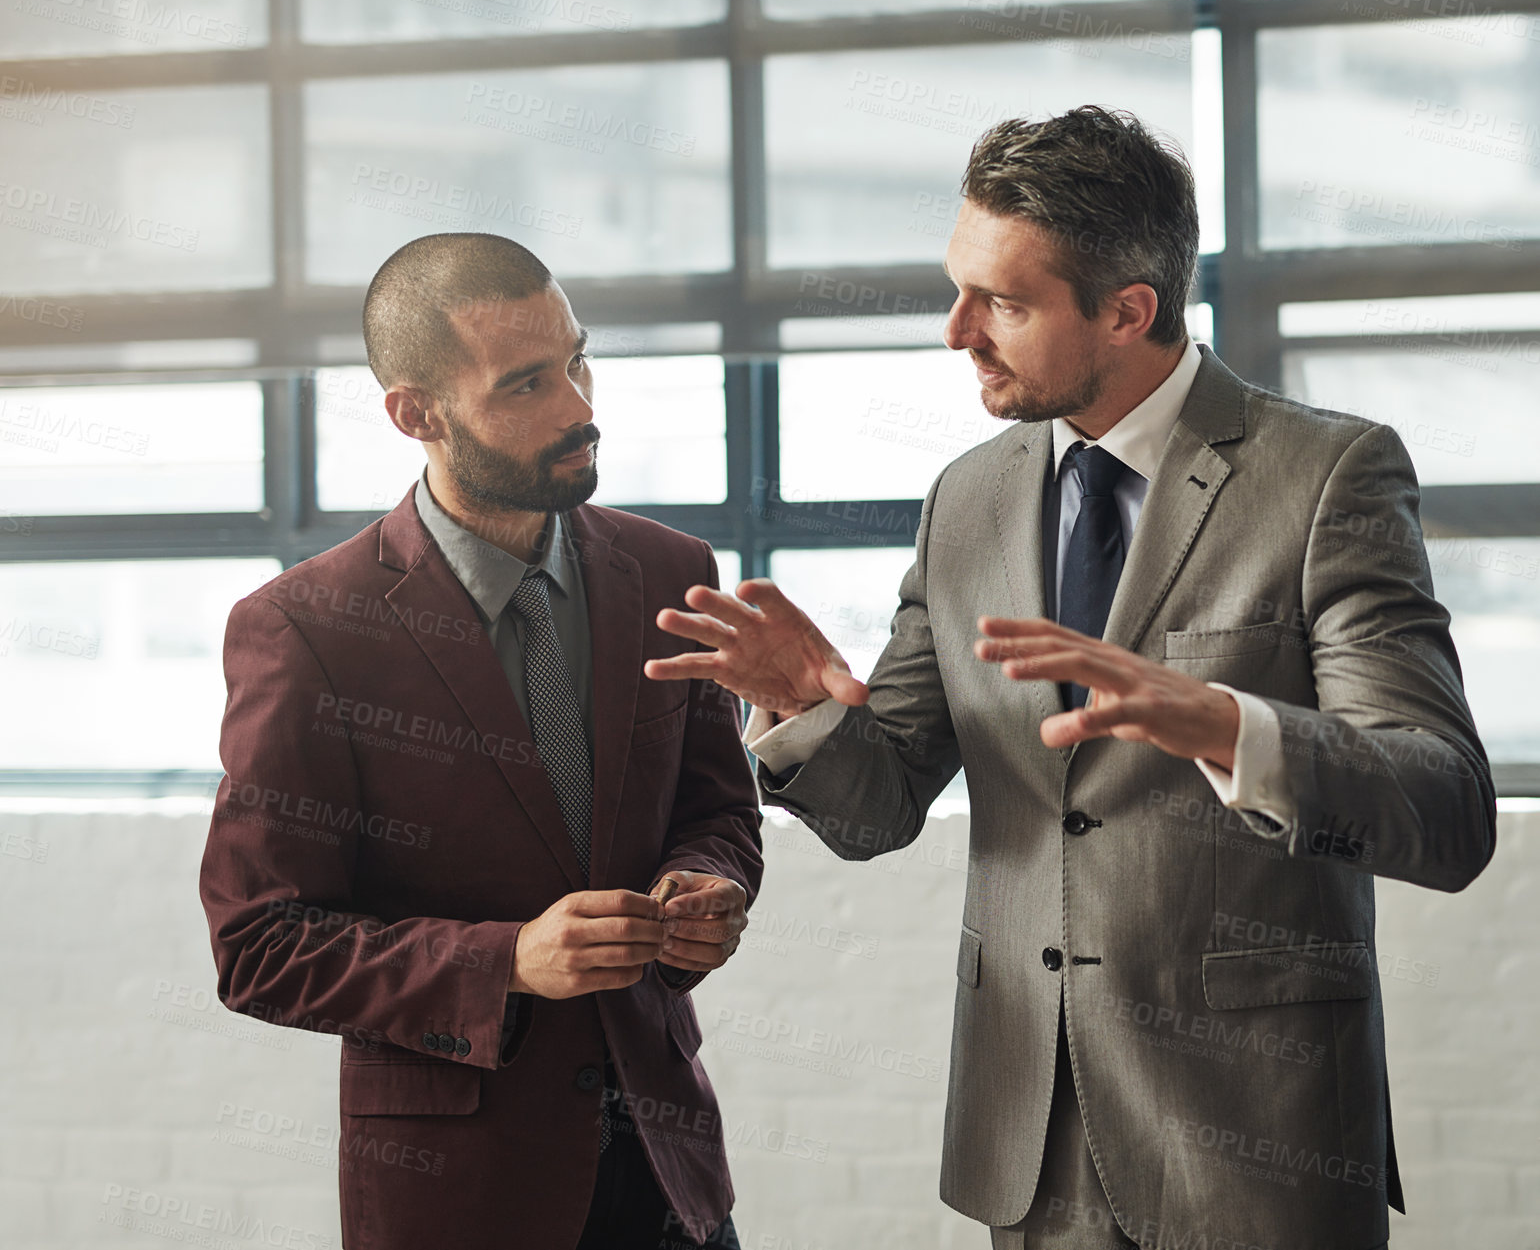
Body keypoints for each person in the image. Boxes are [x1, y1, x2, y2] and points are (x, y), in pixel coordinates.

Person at [645, 107, 1496, 1250]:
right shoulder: (968, 499)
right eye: (959, 289)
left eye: (1003, 301)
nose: (957, 332)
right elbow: (882, 801)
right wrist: (801, 709)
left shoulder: (1325, 475)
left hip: (1256, 1138)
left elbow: (1442, 806)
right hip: (1030, 1142)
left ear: (1128, 310)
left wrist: (1225, 725)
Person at [199, 232, 761, 1250]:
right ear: (417, 413)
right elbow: (259, 946)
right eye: (527, 384)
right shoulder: (306, 626)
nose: (580, 406)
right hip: (459, 1199)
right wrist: (507, 961)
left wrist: (705, 882)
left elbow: (717, 810)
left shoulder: (673, 569)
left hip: (672, 1176)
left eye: (578, 359)